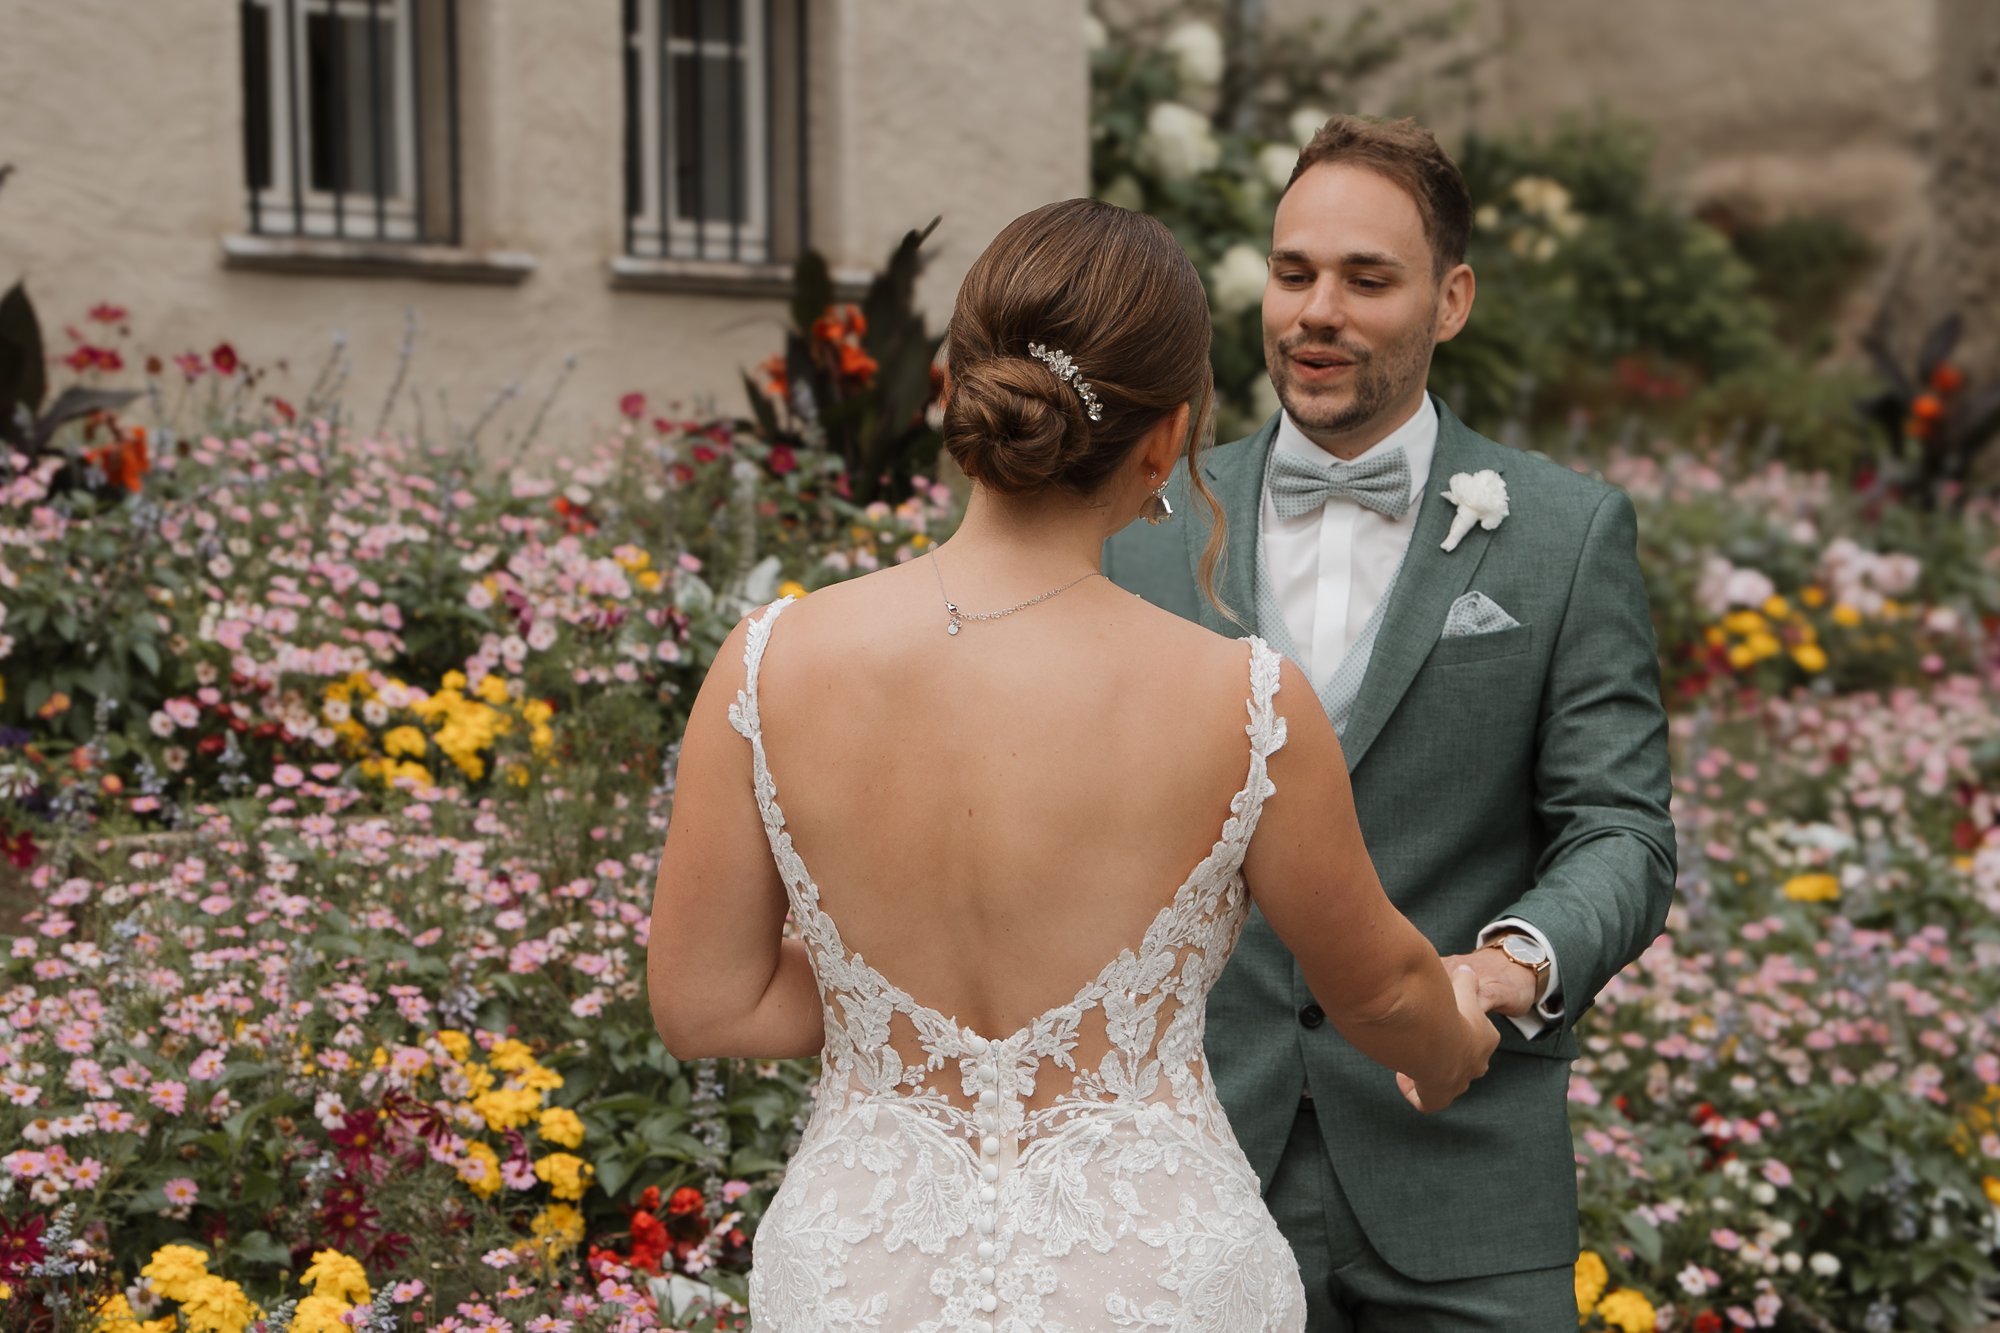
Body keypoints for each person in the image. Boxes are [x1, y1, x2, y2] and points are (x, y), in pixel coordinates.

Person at [647, 197, 1498, 1332]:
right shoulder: (1241, 702)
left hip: (862, 1272)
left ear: (958, 389)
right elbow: (1382, 989)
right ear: (1165, 440)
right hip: (1146, 1275)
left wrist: (883, 1000)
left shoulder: (768, 662)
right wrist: (1451, 1046)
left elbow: (705, 1005)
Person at [1103, 114, 1677, 1329]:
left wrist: (1506, 965)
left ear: (1450, 299)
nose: (1317, 311)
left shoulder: (1565, 535)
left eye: (1367, 279)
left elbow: (1618, 829)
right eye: (1293, 270)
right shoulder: (1145, 526)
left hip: (1462, 1168)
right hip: (1195, 1160)